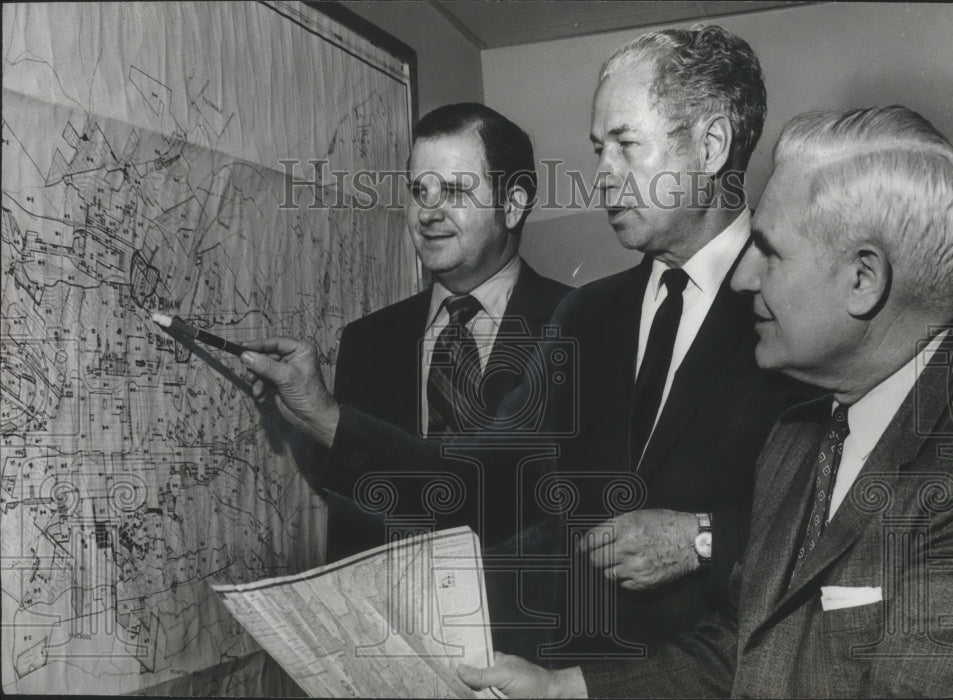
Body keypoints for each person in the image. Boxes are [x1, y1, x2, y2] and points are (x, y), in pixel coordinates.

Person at [241, 25, 810, 660]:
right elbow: (477, 487)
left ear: (711, 145)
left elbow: (859, 522)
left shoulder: (804, 304)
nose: (603, 178)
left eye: (625, 145)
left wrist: (706, 538)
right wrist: (322, 414)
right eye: (599, 150)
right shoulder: (588, 315)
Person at [456, 105, 953, 697]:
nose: (743, 279)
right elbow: (743, 648)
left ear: (863, 280)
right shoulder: (800, 433)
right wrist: (563, 690)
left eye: (771, 252)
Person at [325, 103, 569, 559]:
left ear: (512, 205)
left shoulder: (582, 324)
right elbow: (352, 526)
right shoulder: (367, 343)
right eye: (420, 190)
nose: (428, 214)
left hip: (530, 621)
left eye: (455, 191)